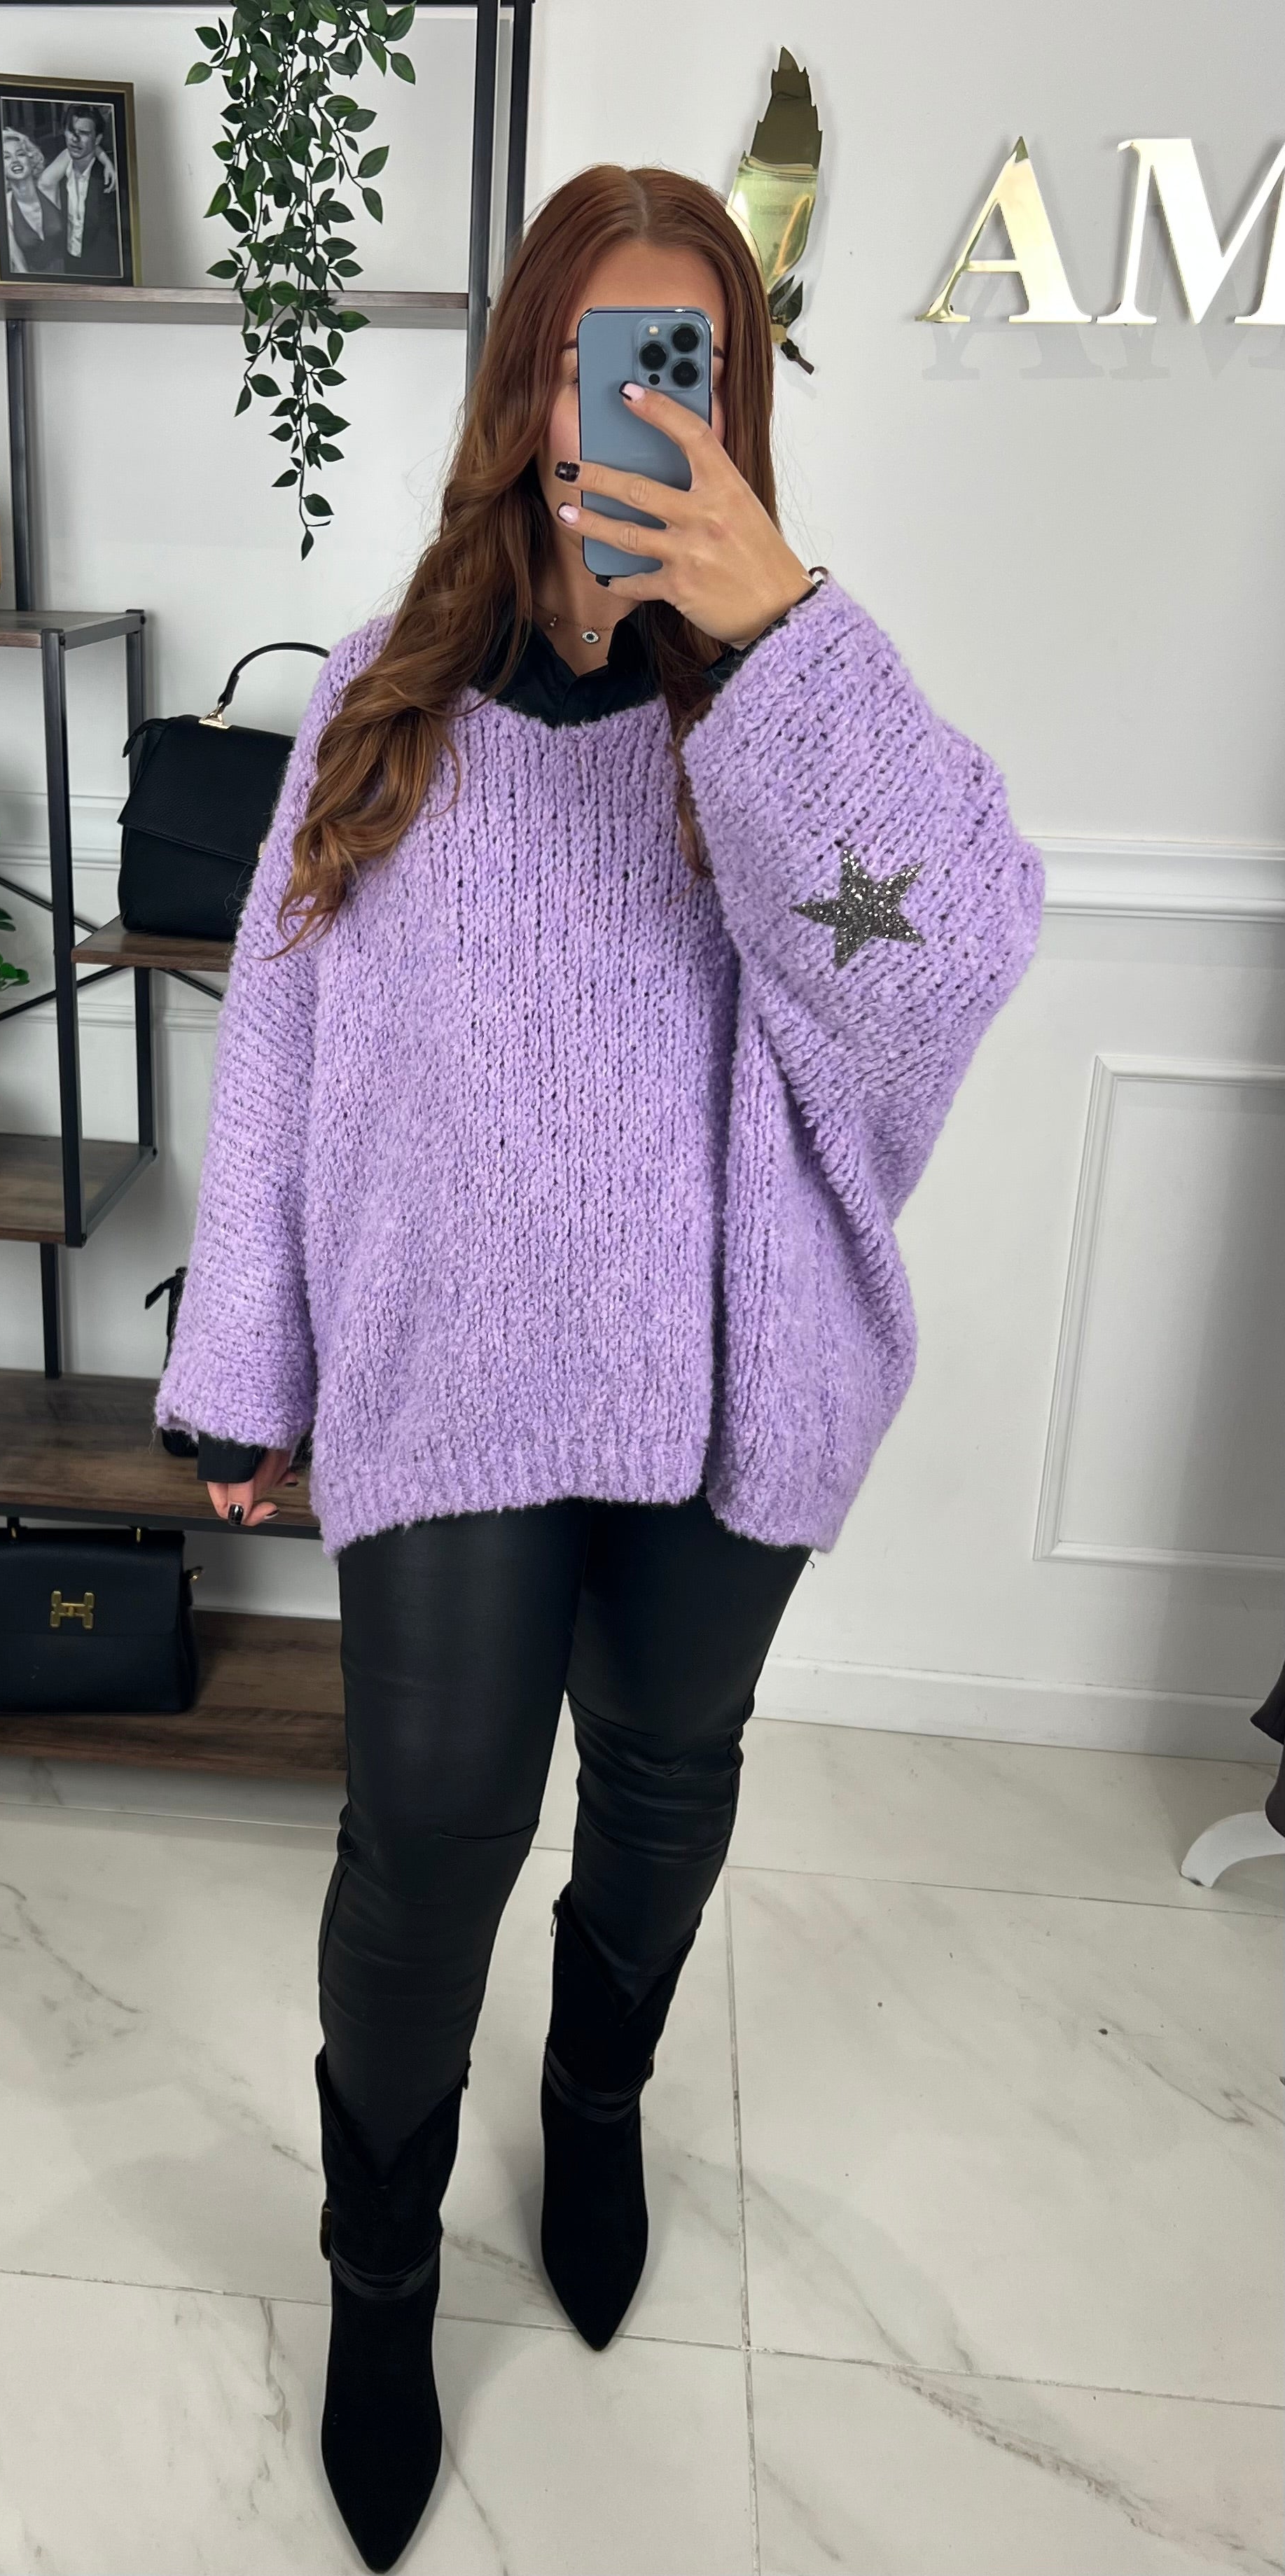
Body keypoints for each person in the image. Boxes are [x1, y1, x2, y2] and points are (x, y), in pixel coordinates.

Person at [155, 161, 1044, 2570]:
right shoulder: (381, 691)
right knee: (429, 1827)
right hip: (452, 1364)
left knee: (658, 1778)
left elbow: (948, 965)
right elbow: (285, 1058)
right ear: (522, 382)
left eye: (684, 364)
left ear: (730, 401)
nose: (625, 407)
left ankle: (598, 2092)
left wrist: (781, 640)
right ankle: (375, 2266)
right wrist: (242, 1360)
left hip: (732, 1370)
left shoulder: (785, 698)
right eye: (587, 357)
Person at [38, 106, 120, 278]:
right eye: (71, 131)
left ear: (98, 139)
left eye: (83, 133)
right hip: (70, 265)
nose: (75, 139)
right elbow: (45, 183)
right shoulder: (57, 174)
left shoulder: (109, 179)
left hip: (104, 270)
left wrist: (106, 161)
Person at [0, 129, 66, 278]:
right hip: (35, 281)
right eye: (7, 157)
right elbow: (19, 264)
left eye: (20, 154)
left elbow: (74, 151)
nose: (15, 160)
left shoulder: (47, 185)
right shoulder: (4, 208)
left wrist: (106, 161)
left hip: (71, 276)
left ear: (31, 158)